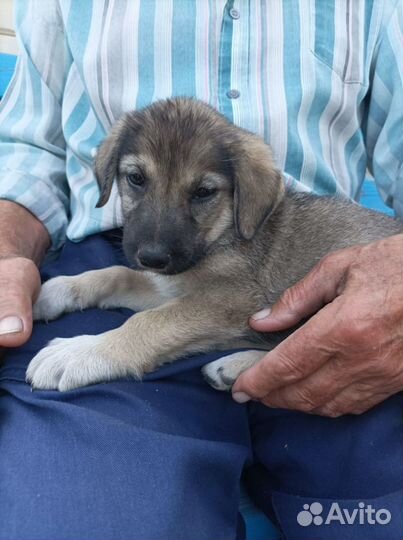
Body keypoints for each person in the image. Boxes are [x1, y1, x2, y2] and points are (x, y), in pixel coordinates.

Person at [0, 1, 402, 539]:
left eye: (204, 193)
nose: (157, 237)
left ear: (241, 193)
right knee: (78, 518)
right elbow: (30, 148)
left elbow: (227, 301)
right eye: (135, 182)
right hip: (99, 256)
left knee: (377, 522)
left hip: (367, 307)